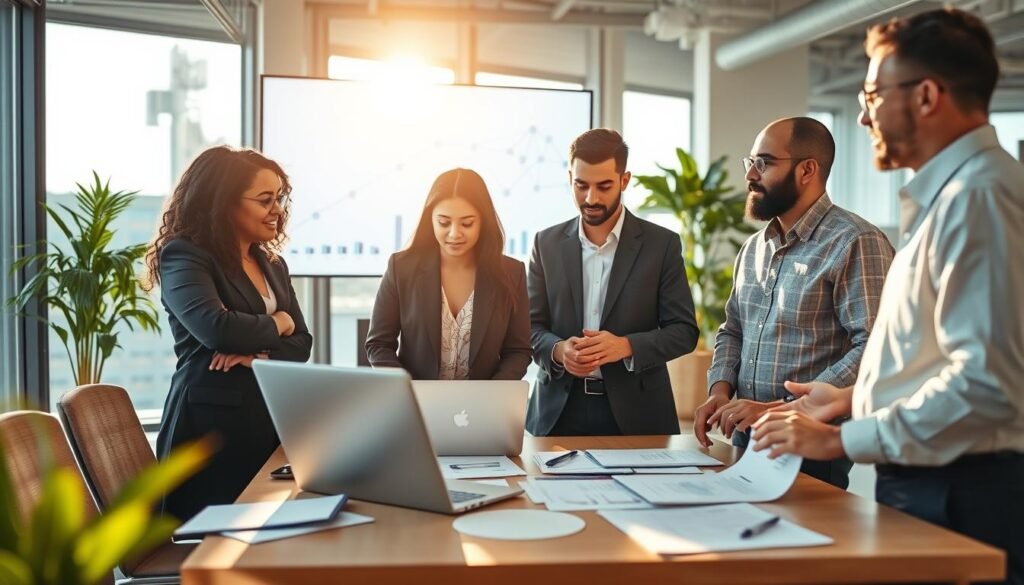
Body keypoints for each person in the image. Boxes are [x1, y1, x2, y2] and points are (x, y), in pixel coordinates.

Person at [750, 9, 1024, 583]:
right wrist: (847, 399)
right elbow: (938, 360)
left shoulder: (978, 199)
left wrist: (839, 438)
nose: (860, 112)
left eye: (873, 93)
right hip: (940, 483)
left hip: (963, 492)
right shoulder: (951, 198)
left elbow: (987, 386)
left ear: (926, 95)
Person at [694, 117, 894, 489]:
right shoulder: (753, 248)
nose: (751, 174)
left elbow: (874, 348)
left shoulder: (855, 241)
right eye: (751, 162)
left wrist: (785, 408)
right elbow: (733, 330)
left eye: (765, 162)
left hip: (810, 443)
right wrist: (718, 391)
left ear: (807, 170)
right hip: (744, 438)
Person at [146, 146, 312, 521]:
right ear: (223, 203)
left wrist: (259, 357)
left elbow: (303, 343)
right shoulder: (185, 255)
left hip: (269, 421)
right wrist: (279, 323)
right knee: (230, 545)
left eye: (279, 198)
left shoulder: (271, 263)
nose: (278, 210)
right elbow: (216, 329)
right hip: (210, 433)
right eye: (265, 200)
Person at [527, 129, 699, 436]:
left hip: (638, 415)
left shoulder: (662, 246)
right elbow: (528, 327)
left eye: (603, 186)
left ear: (624, 180)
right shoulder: (545, 244)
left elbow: (683, 332)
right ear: (570, 179)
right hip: (558, 414)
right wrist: (558, 350)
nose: (591, 198)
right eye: (581, 186)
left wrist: (625, 346)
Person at [365, 168, 531, 380]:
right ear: (430, 219)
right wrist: (405, 389)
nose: (454, 233)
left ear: (483, 222)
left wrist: (492, 394)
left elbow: (518, 351)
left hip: (482, 406)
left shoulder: (512, 273)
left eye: (467, 223)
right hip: (416, 404)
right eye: (444, 222)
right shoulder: (401, 268)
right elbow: (379, 344)